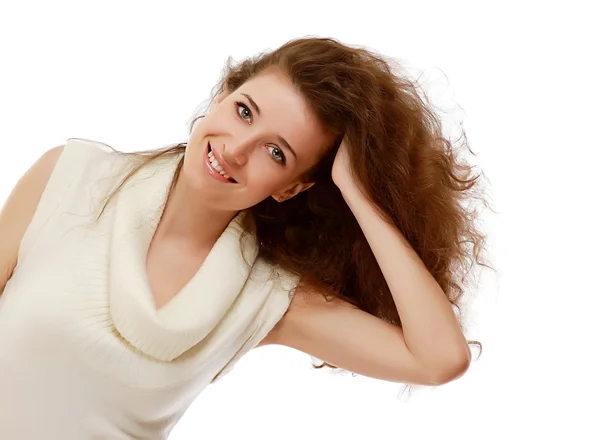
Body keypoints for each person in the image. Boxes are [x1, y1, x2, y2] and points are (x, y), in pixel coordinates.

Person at [0, 37, 491, 439]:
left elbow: (439, 360)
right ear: (220, 98)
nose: (236, 150)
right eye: (244, 111)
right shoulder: (69, 177)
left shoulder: (265, 298)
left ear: (293, 188)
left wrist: (359, 194)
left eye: (276, 153)